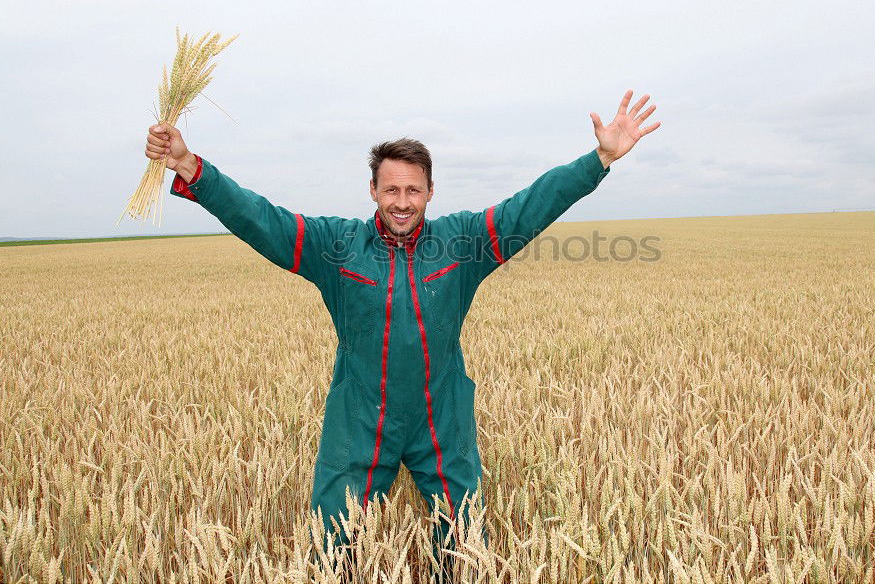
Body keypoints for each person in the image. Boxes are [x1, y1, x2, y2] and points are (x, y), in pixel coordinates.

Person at [144, 90, 660, 574]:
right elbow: (263, 219)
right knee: (332, 552)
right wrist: (192, 168)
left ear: (431, 192)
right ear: (373, 190)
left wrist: (599, 160)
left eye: (414, 189)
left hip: (442, 417)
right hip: (360, 417)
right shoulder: (336, 246)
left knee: (461, 548)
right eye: (391, 189)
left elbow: (530, 205)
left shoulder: (462, 243)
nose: (402, 201)